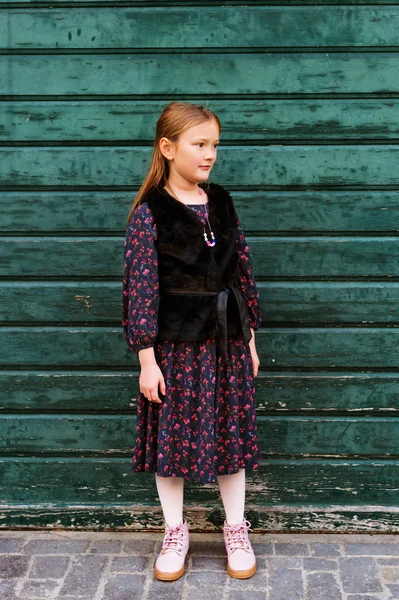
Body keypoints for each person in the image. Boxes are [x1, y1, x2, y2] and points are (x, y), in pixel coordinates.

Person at [122, 101, 262, 582]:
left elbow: (241, 271)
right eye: (199, 144)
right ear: (168, 148)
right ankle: (175, 530)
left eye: (214, 145)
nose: (209, 155)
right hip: (174, 349)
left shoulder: (220, 202)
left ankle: (236, 528)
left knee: (230, 435)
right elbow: (141, 288)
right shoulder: (150, 214)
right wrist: (146, 358)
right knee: (172, 441)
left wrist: (250, 338)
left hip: (226, 342)